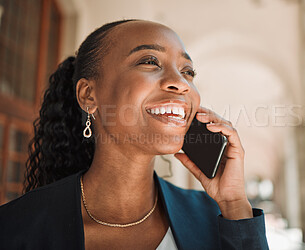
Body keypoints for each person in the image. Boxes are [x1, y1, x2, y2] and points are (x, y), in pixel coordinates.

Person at [0, 19, 269, 249]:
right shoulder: (15, 229)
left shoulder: (219, 218)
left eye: (188, 71)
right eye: (150, 62)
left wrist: (234, 203)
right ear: (88, 95)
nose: (181, 83)